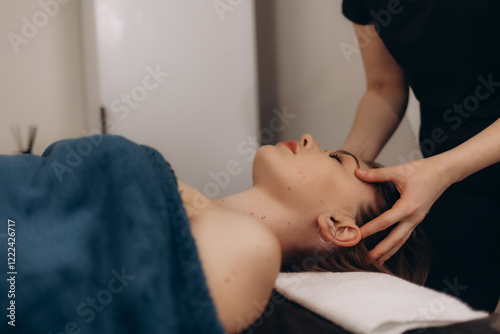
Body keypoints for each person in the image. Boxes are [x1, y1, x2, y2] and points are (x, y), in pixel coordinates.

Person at [0, 133, 428, 334]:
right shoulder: (188, 207)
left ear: (339, 226)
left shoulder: (249, 252)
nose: (309, 137)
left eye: (336, 159)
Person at [340, 0, 500, 312]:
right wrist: (345, 164)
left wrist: (443, 170)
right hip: (453, 178)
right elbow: (384, 88)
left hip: (446, 170)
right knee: (445, 314)